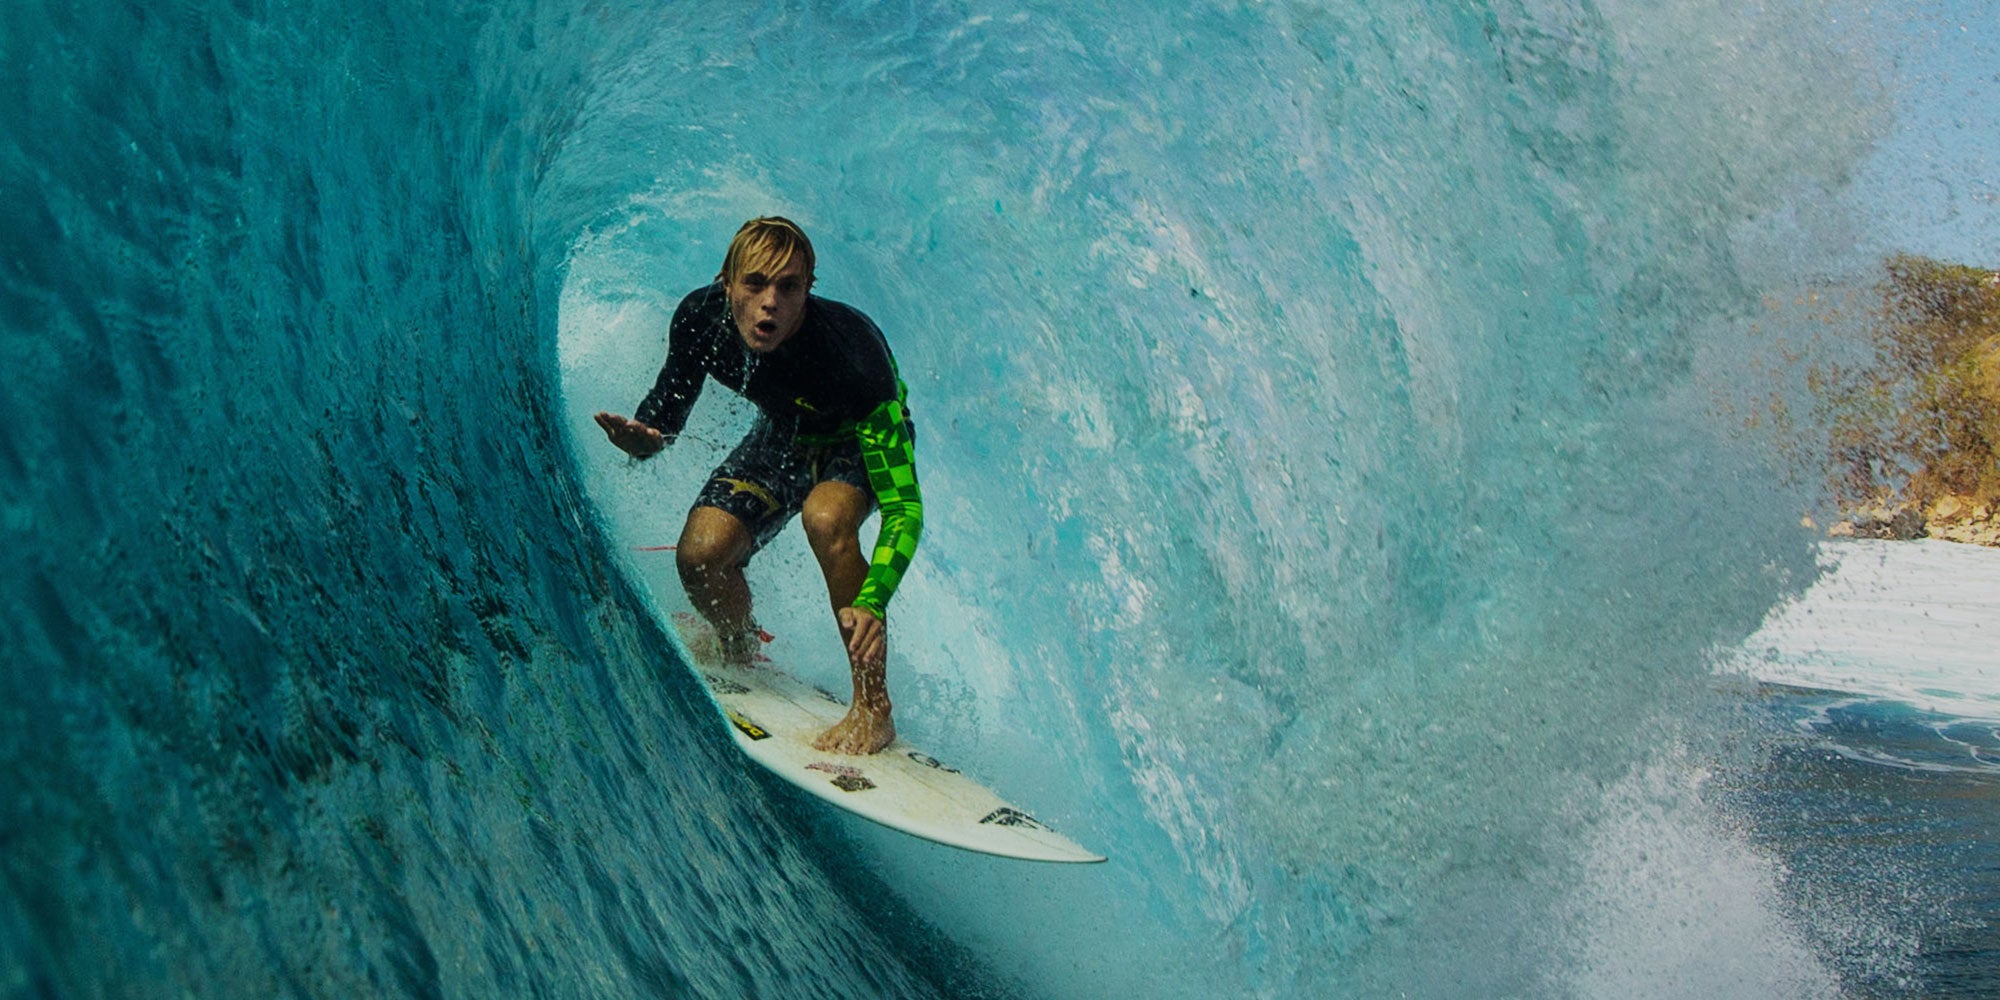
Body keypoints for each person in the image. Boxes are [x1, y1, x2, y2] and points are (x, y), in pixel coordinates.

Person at [593, 217, 922, 755]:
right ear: (727, 282)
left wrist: (873, 595)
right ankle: (739, 641)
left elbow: (905, 508)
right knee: (700, 556)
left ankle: (873, 707)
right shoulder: (701, 320)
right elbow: (665, 418)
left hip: (853, 444)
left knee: (826, 517)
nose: (770, 302)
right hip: (783, 435)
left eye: (788, 287)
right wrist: (644, 440)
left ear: (808, 290)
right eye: (755, 283)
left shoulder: (856, 357)